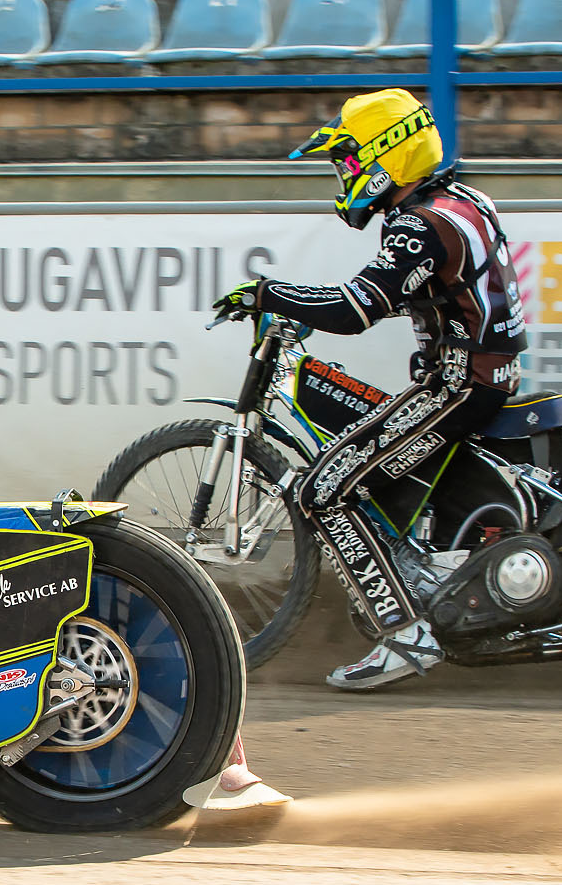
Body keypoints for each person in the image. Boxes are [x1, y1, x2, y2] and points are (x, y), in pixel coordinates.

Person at [213, 89, 526, 692]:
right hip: (481, 377)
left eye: (350, 160)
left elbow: (358, 307)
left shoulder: (419, 224)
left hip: (457, 386)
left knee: (322, 489)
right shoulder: (463, 201)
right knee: (366, 453)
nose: (345, 174)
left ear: (390, 155)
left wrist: (264, 293)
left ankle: (405, 636)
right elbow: (410, 292)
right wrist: (308, 309)